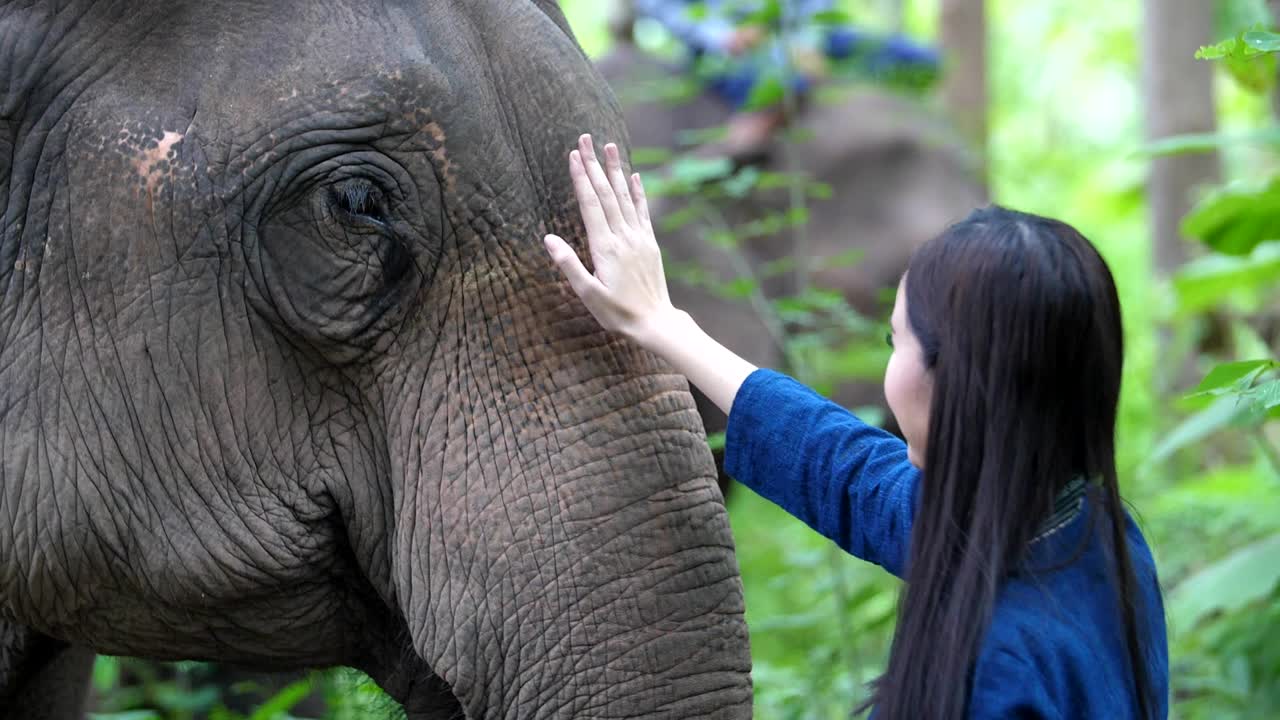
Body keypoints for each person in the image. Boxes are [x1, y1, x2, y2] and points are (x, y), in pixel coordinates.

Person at [543, 134, 1169, 719]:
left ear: (953, 381)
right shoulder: (1085, 530)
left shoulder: (997, 668)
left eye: (895, 340)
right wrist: (661, 323)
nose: (888, 364)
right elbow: (848, 470)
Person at [630, 0, 939, 161]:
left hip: (800, 32)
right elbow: (658, 6)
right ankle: (749, 133)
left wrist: (808, 41)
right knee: (787, 75)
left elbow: (816, 7)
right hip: (732, 47)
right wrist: (720, 35)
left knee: (920, 59)